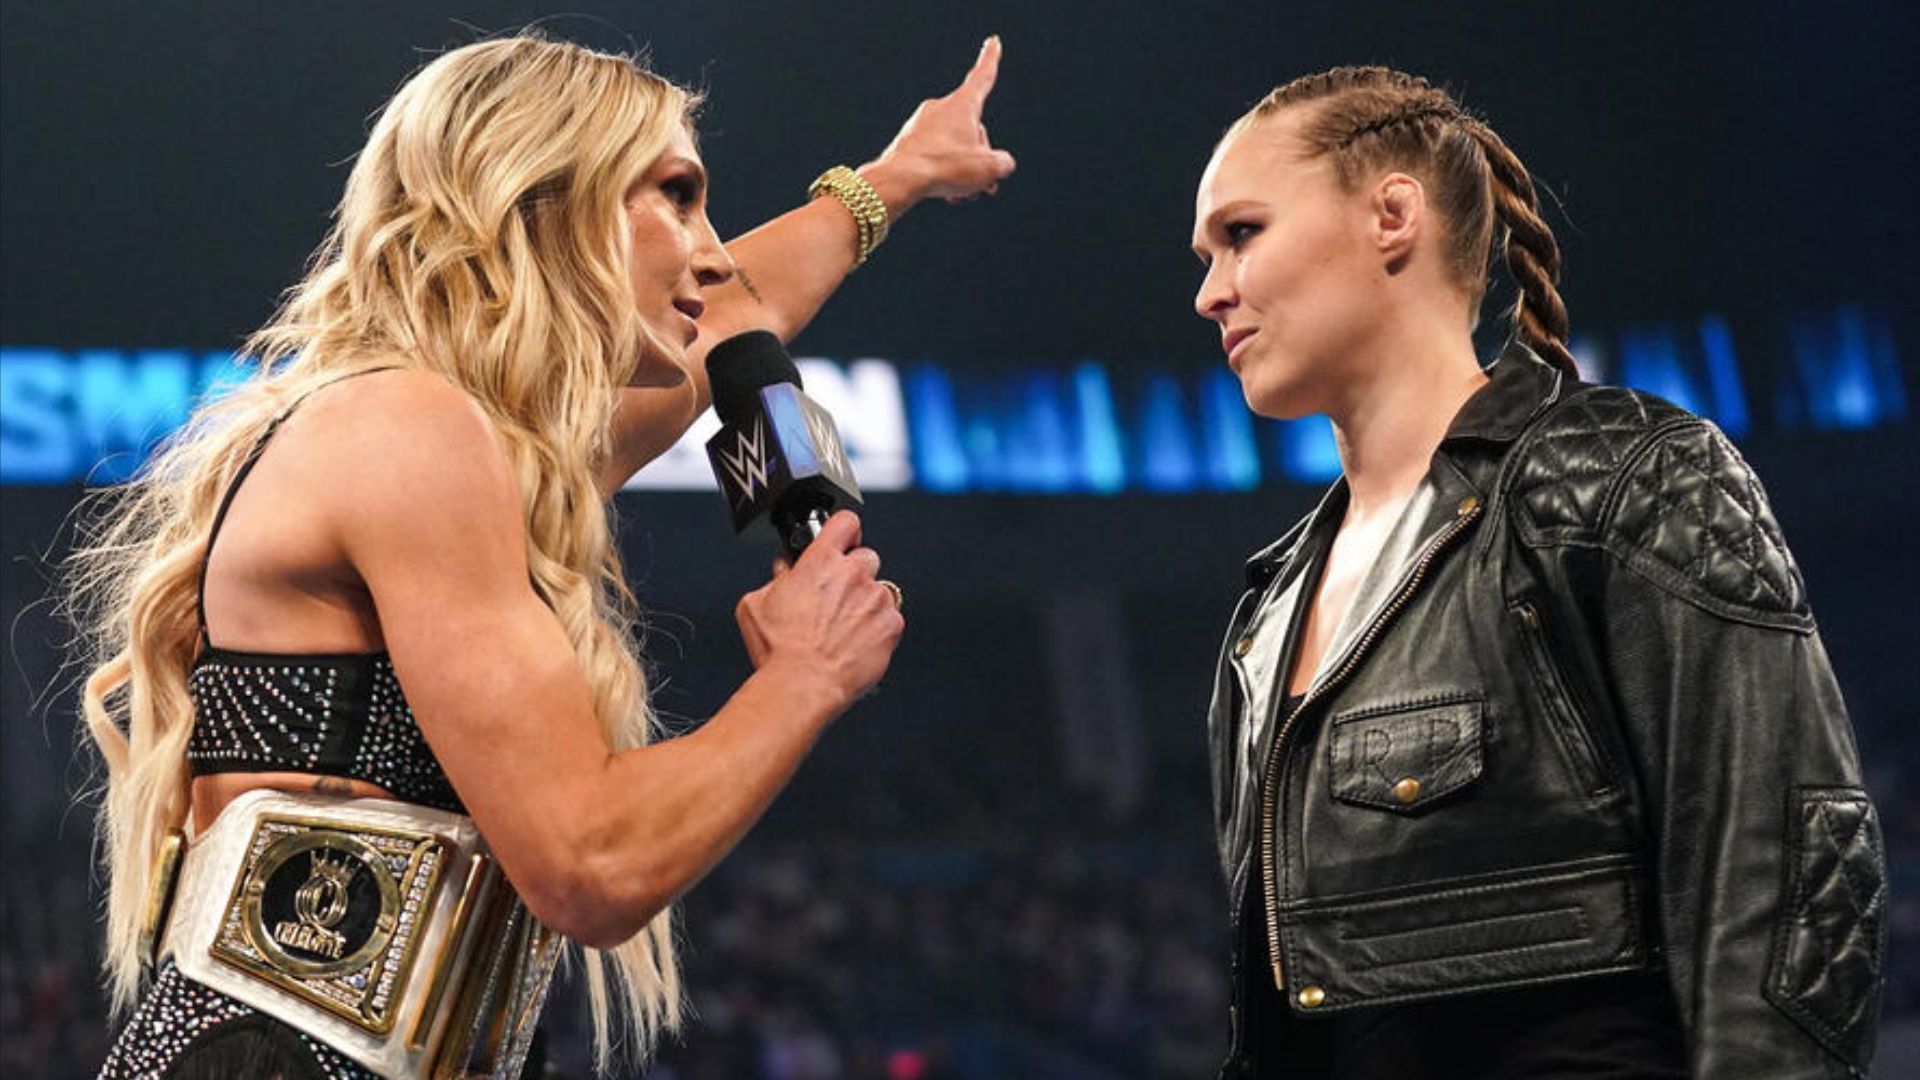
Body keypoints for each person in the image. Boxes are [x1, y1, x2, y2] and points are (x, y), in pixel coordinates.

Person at [74, 31, 1014, 1078]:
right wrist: (805, 676)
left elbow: (735, 310)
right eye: (675, 194)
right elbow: (589, 862)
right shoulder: (402, 430)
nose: (710, 250)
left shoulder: (475, 447)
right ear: (538, 196)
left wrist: (897, 176)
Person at [1191, 67, 1884, 1078]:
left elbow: (1790, 886)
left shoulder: (1624, 477)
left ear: (1393, 215)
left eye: (1241, 234)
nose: (1209, 291)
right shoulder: (1266, 616)